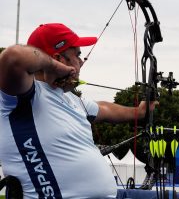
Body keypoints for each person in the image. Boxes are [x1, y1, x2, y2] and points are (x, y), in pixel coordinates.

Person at [0, 23, 157, 199]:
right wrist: (54, 67)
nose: (82, 61)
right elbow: (13, 58)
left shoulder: (74, 100)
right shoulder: (23, 96)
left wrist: (141, 111)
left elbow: (106, 109)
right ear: (58, 59)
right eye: (78, 54)